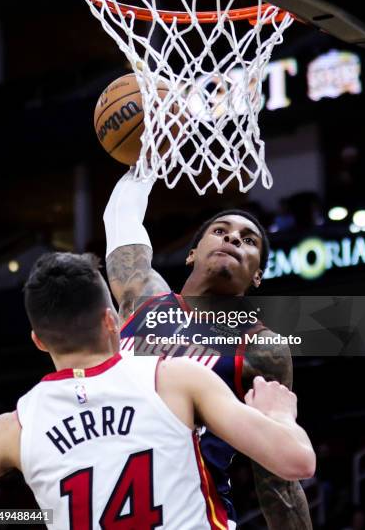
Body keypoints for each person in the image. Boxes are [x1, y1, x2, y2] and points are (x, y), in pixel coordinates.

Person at [0, 252, 315, 529]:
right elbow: (297, 461)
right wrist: (280, 415)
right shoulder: (175, 379)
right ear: (112, 320)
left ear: (37, 341)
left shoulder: (14, 429)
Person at [104, 169, 313, 528]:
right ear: (191, 254)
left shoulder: (262, 348)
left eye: (249, 240)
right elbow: (120, 218)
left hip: (198, 517)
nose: (233, 237)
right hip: (108, 507)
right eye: (220, 231)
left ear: (258, 275)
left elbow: (277, 481)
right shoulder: (144, 295)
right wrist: (145, 162)